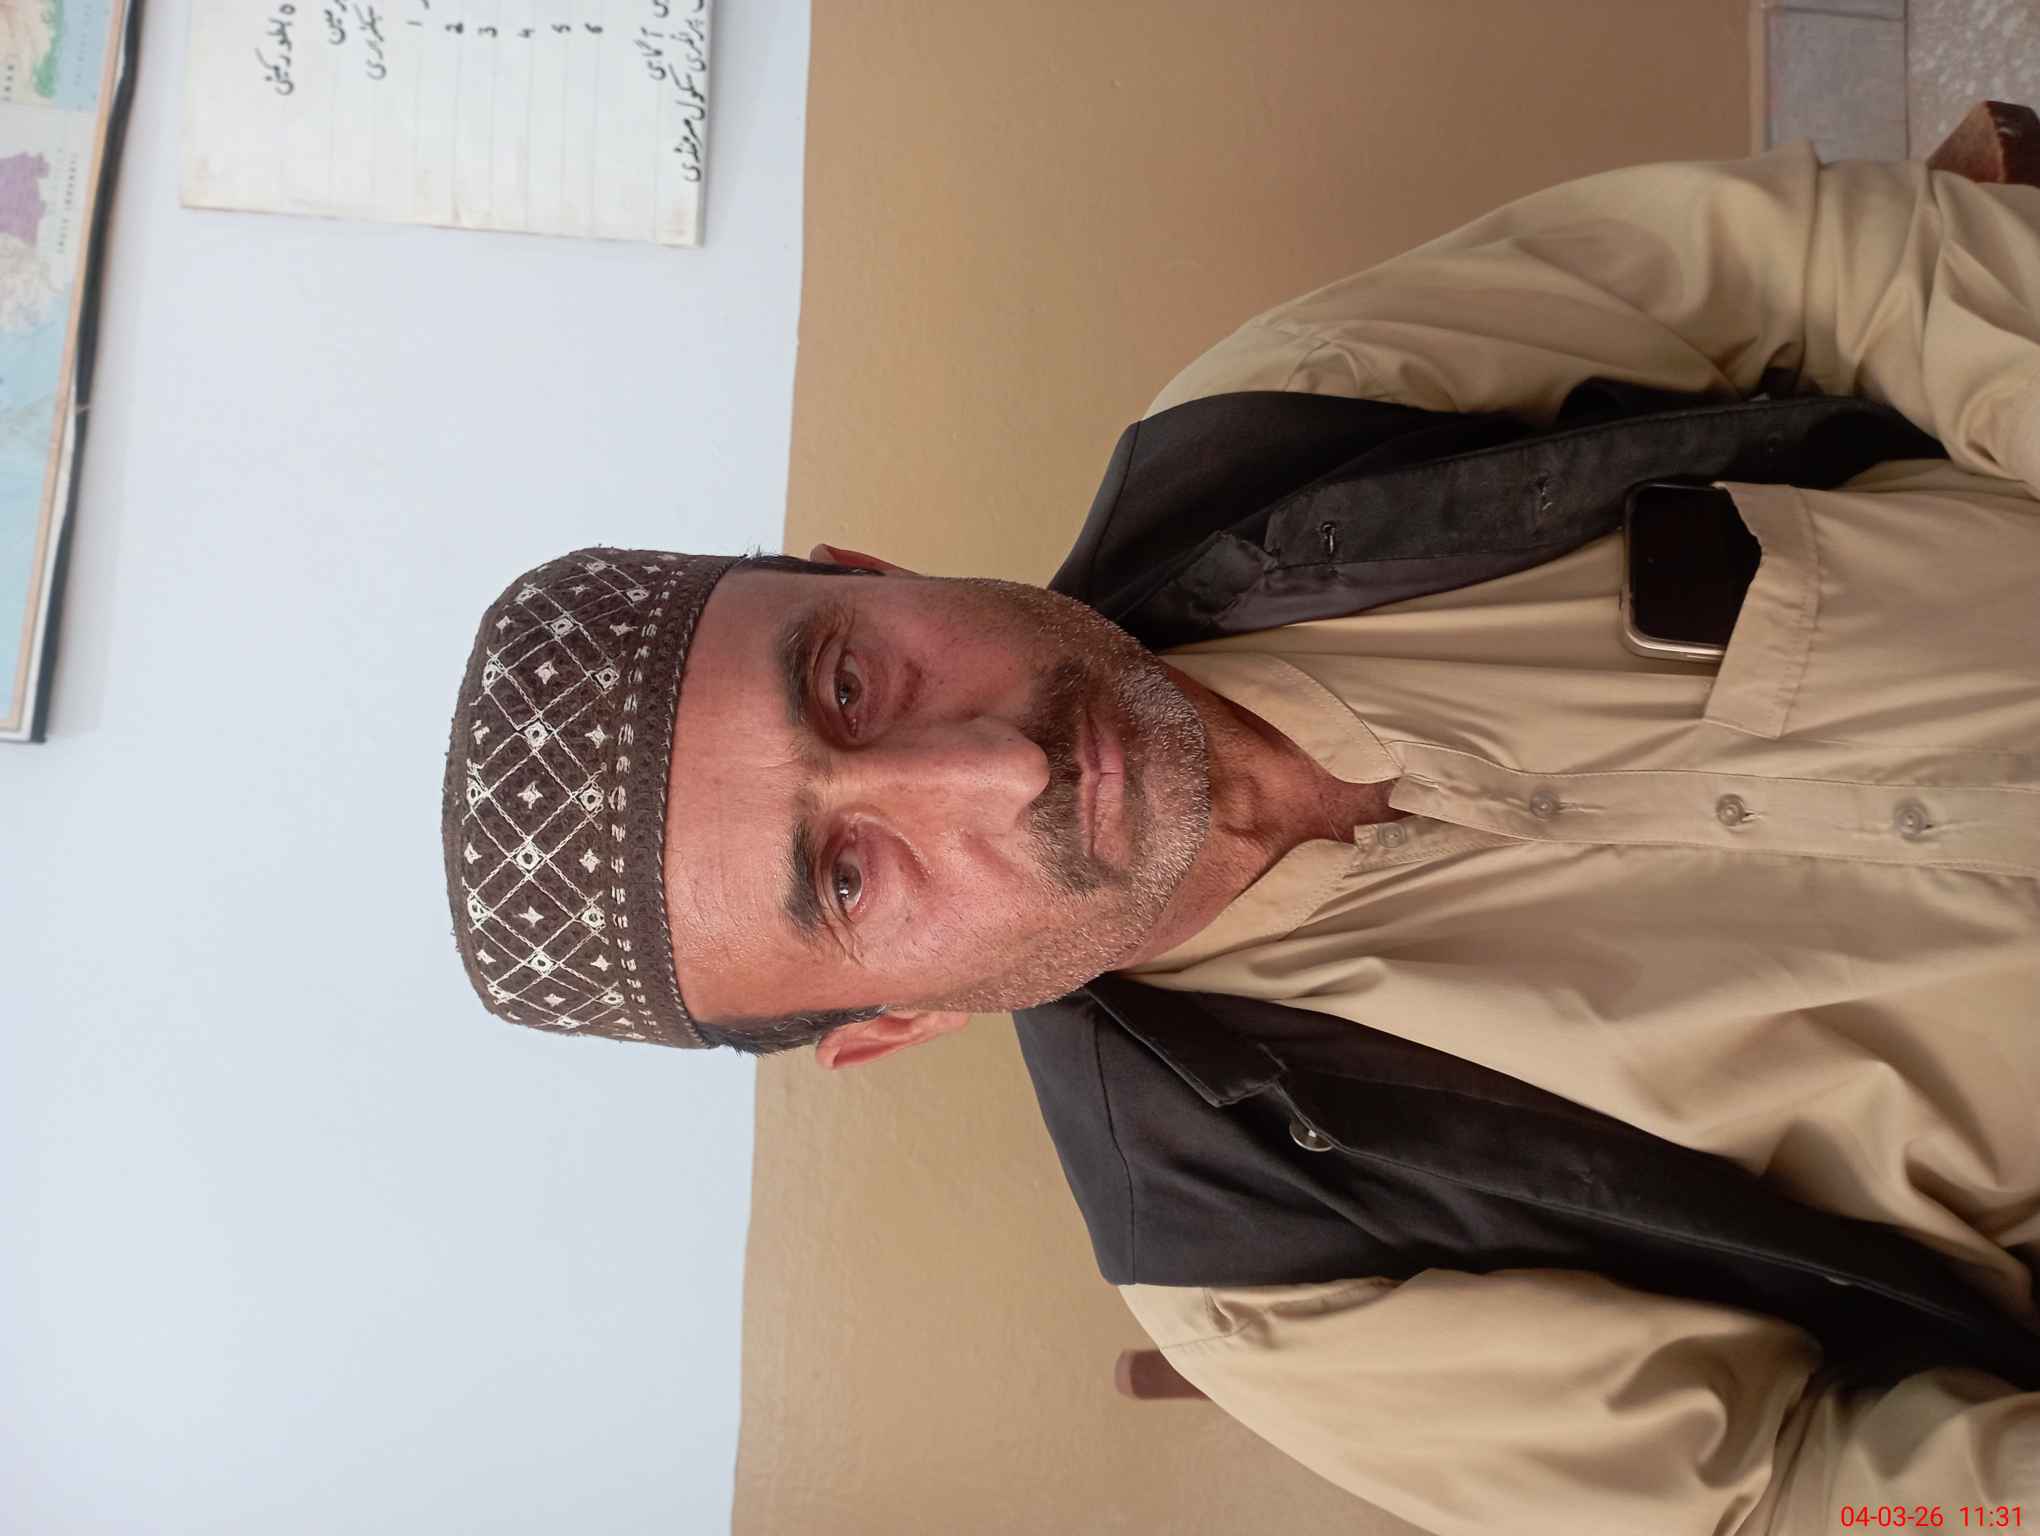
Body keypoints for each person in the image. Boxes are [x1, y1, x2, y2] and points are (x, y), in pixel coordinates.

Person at [441, 142, 2040, 1533]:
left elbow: (1820, 264)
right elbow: (1787, 1495)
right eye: (848, 877)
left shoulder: (1282, 419)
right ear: (893, 1024)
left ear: (873, 571)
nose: (993, 768)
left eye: (849, 683)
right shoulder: (1261, 1277)